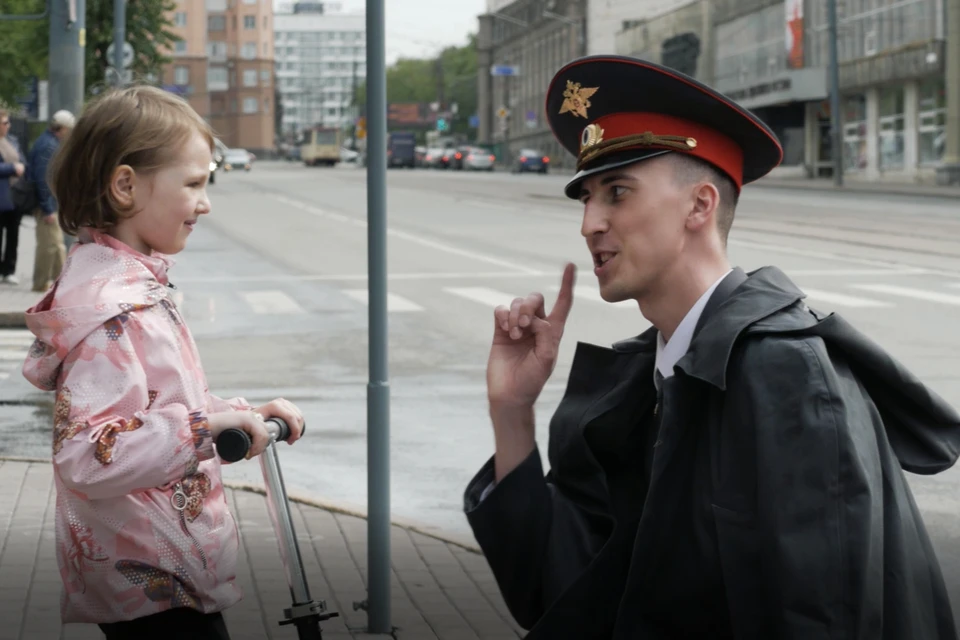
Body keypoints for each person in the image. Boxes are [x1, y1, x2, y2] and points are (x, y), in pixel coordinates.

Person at [464, 55, 960, 639]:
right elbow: (560, 590)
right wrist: (512, 412)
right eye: (587, 198)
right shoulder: (648, 375)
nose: (589, 223)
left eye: (617, 192)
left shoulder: (782, 372)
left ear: (700, 205)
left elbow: (826, 615)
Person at [21, 85, 306, 640]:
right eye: (194, 183)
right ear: (126, 185)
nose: (206, 201)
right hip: (148, 577)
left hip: (164, 561)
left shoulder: (135, 291)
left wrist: (236, 414)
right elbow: (85, 454)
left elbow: (156, 407)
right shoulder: (110, 310)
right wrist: (203, 431)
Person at [27, 109, 73, 292]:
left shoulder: (47, 142)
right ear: (61, 129)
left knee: (53, 245)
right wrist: (47, 209)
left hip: (46, 204)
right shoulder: (49, 146)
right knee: (53, 246)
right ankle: (48, 283)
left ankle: (59, 282)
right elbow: (43, 178)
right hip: (45, 205)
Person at [0, 109, 26, 284]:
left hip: (15, 194)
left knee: (13, 234)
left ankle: (9, 269)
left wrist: (22, 166)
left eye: (8, 122)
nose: (8, 126)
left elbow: (22, 161)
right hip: (2, 195)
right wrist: (12, 169)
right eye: (5, 122)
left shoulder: (12, 141)